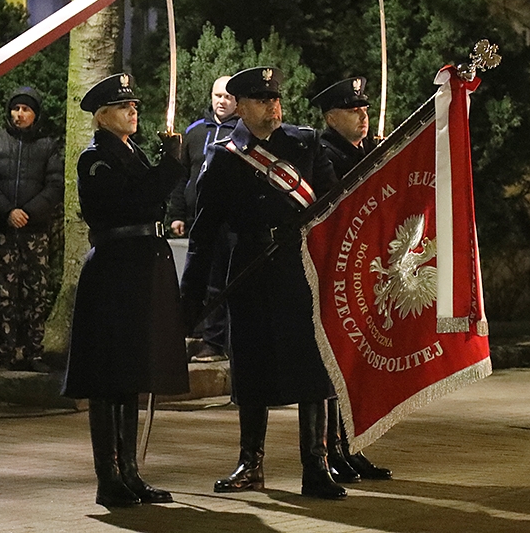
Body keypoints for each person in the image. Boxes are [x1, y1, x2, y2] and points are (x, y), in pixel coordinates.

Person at [182, 66, 347, 500]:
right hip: (250, 269)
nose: (273, 107)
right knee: (251, 367)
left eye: (275, 99)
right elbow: (203, 233)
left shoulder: (305, 143)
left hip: (300, 269)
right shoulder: (224, 154)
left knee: (313, 368)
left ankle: (316, 465)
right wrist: (190, 300)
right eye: (262, 100)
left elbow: (335, 208)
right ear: (240, 106)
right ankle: (250, 464)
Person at [61, 73, 189, 508]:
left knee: (133, 374)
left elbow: (149, 196)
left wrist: (164, 166)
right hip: (115, 270)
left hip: (140, 267)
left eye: (134, 105)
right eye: (122, 107)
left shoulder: (130, 154)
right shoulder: (95, 159)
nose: (133, 110)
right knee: (108, 376)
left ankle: (130, 472)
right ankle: (108, 476)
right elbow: (129, 202)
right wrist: (169, 167)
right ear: (101, 116)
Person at [311, 77, 393, 483]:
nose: (363, 116)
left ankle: (351, 445)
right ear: (330, 117)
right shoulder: (325, 152)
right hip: (338, 271)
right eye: (353, 111)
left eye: (364, 109)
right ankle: (332, 449)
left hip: (367, 267)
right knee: (336, 364)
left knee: (357, 366)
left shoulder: (366, 149)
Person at [0, 86, 64, 373]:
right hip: (3, 231)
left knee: (35, 294)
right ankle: (5, 356)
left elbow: (54, 186)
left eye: (26, 109)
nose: (20, 114)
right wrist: (8, 211)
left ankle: (33, 354)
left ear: (35, 114)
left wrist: (28, 212)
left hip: (35, 231)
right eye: (16, 109)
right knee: (4, 296)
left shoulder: (47, 146)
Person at [167, 75, 239, 362]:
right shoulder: (195, 131)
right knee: (201, 280)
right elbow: (181, 174)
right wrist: (177, 214)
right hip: (198, 218)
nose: (222, 101)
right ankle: (203, 336)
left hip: (230, 222)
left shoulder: (243, 132)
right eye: (217, 96)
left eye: (227, 97)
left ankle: (223, 341)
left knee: (226, 281)